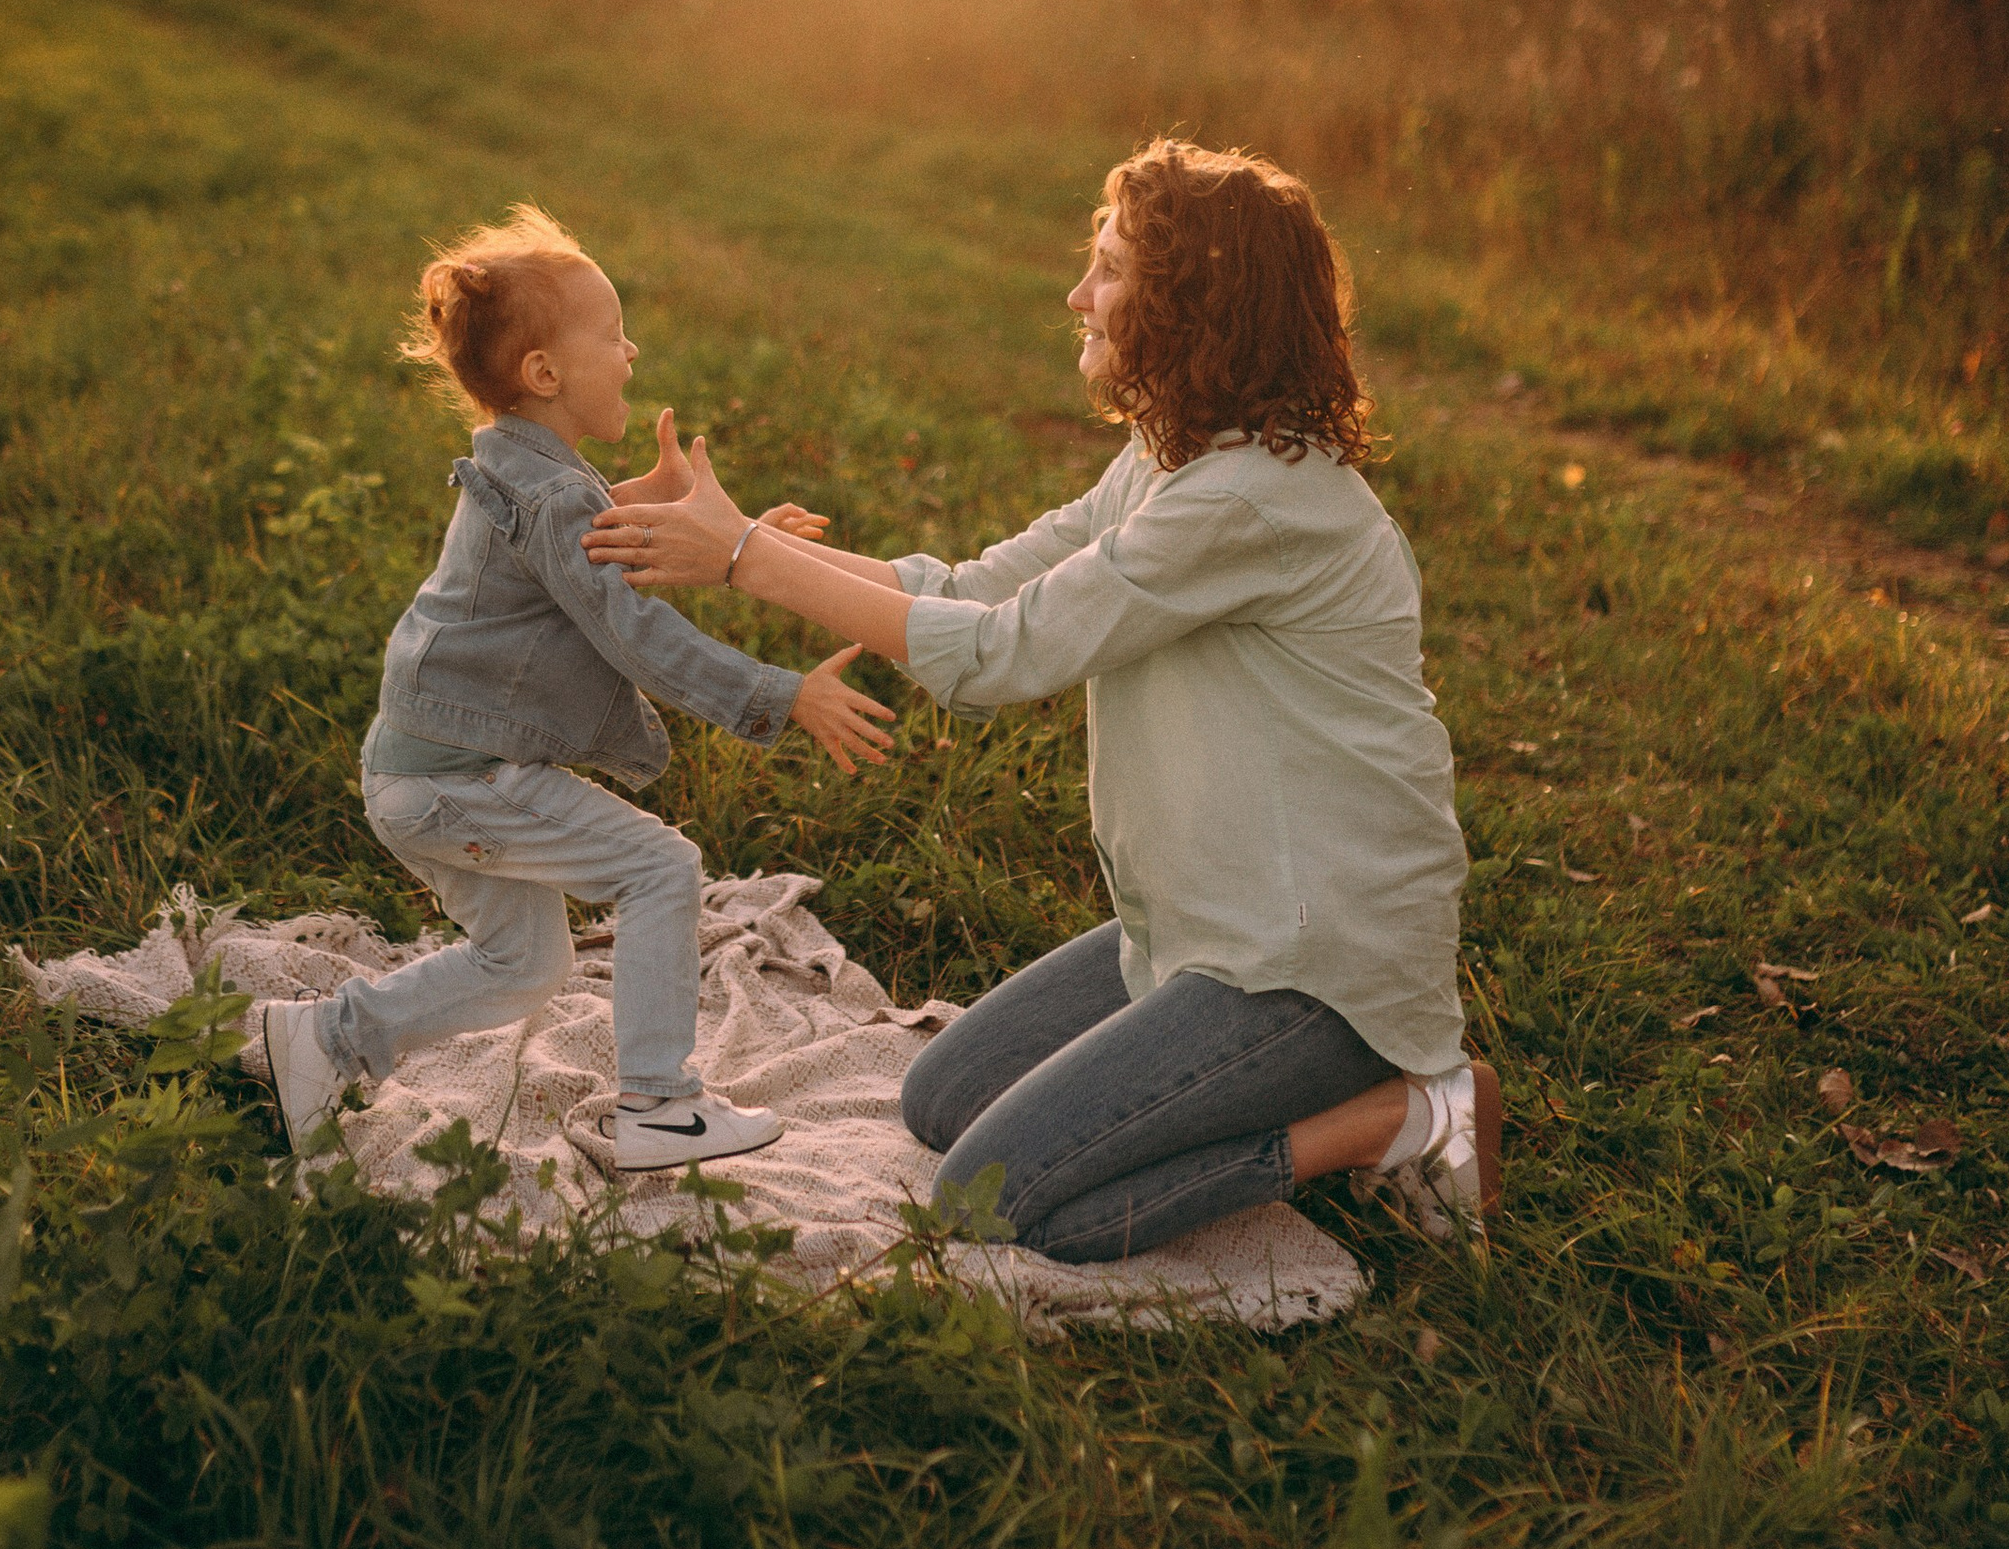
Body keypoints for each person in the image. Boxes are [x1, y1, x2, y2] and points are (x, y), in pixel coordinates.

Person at [581, 140, 1497, 1262]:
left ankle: (1400, 1115)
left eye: (1109, 270)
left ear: (1192, 305)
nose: (1077, 294)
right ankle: (1266, 1095)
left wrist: (741, 561)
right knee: (937, 1096)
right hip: (1201, 926)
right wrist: (750, 542)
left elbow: (997, 658)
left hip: (1317, 968)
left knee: (987, 1200)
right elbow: (969, 591)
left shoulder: (1255, 502)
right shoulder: (1181, 460)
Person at [258, 206, 891, 1174]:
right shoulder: (555, 496)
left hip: (423, 765)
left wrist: (659, 500)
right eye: (611, 332)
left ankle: (321, 1040)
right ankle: (660, 1107)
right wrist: (782, 695)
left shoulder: (528, 462)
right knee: (661, 869)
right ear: (545, 374)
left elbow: (573, 530)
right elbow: (639, 635)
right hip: (459, 777)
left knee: (527, 963)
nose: (631, 349)